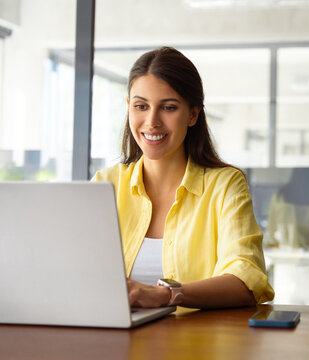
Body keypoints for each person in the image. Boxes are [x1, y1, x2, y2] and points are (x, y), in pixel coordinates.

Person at [92, 47, 274, 309]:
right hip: (117, 343)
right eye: (141, 106)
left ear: (192, 115)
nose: (152, 121)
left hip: (195, 345)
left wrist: (166, 294)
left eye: (168, 107)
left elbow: (245, 280)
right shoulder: (105, 184)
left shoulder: (225, 185)